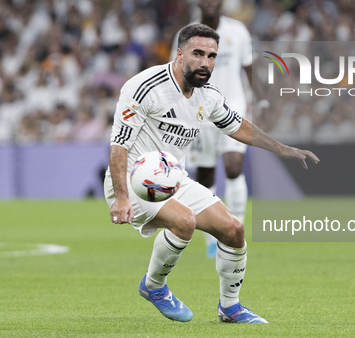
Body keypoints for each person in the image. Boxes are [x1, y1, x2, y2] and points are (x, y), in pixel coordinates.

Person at [105, 24, 319, 324]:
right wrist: (122, 198)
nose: (205, 62)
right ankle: (153, 286)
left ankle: (230, 308)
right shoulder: (144, 87)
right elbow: (119, 145)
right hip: (132, 181)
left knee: (234, 230)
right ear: (179, 55)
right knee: (184, 222)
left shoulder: (208, 95)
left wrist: (282, 149)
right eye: (197, 54)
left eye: (212, 56)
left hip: (173, 180)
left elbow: (237, 126)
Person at [171, 0, 253, 258]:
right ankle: (211, 239)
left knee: (233, 167)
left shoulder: (237, 31)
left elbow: (248, 67)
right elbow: (177, 71)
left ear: (221, 0)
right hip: (200, 110)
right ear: (198, 1)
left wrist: (255, 100)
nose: (210, 0)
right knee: (205, 175)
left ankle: (236, 228)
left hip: (234, 107)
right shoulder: (186, 34)